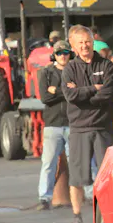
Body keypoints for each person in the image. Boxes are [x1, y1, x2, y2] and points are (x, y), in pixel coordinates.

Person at [61, 25, 113, 223]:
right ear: (73, 46)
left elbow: (107, 94)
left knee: (108, 177)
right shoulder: (69, 69)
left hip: (103, 127)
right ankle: (77, 217)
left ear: (93, 42)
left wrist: (83, 94)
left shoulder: (106, 65)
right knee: (77, 178)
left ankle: (110, 216)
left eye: (87, 41)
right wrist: (94, 88)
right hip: (79, 128)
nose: (85, 46)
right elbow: (70, 96)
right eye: (80, 43)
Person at [36, 40, 73, 211]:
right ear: (54, 56)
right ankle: (44, 197)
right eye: (59, 53)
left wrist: (56, 90)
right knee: (48, 163)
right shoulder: (46, 72)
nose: (63, 56)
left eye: (65, 53)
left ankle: (87, 195)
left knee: (77, 162)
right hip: (53, 124)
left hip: (73, 123)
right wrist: (67, 90)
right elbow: (45, 97)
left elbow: (78, 92)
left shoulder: (75, 70)